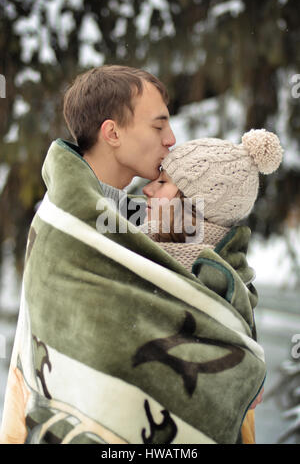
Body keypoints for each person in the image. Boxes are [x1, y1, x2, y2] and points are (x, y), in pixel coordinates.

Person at [1, 65, 266, 445]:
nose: (171, 139)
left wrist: (240, 354)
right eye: (158, 127)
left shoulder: (129, 215)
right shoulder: (68, 228)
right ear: (112, 133)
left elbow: (214, 250)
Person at [142, 128, 283, 442]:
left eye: (163, 183)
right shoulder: (133, 251)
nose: (148, 190)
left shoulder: (221, 290)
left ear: (196, 206)